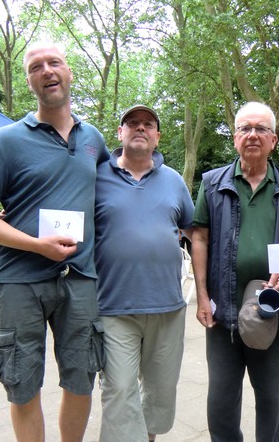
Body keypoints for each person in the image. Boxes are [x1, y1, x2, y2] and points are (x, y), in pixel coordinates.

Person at [0, 42, 110, 441]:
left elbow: (110, 195)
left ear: (69, 72)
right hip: (19, 280)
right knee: (22, 381)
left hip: (80, 277)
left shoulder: (93, 139)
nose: (47, 70)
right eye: (35, 67)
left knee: (82, 378)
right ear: (29, 81)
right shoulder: (5, 140)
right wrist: (35, 243)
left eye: (54, 62)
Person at [191, 101, 279, 442]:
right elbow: (200, 237)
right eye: (245, 128)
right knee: (221, 402)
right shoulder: (212, 183)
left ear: (273, 139)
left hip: (272, 309)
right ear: (235, 138)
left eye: (261, 129)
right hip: (222, 312)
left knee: (271, 400)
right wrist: (202, 296)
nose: (252, 135)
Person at [94, 104, 194, 441]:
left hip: (167, 307)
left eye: (148, 124)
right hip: (113, 308)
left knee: (160, 391)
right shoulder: (97, 177)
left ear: (157, 137)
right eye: (132, 123)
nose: (140, 128)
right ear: (120, 133)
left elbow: (195, 232)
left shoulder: (174, 181)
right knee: (119, 390)